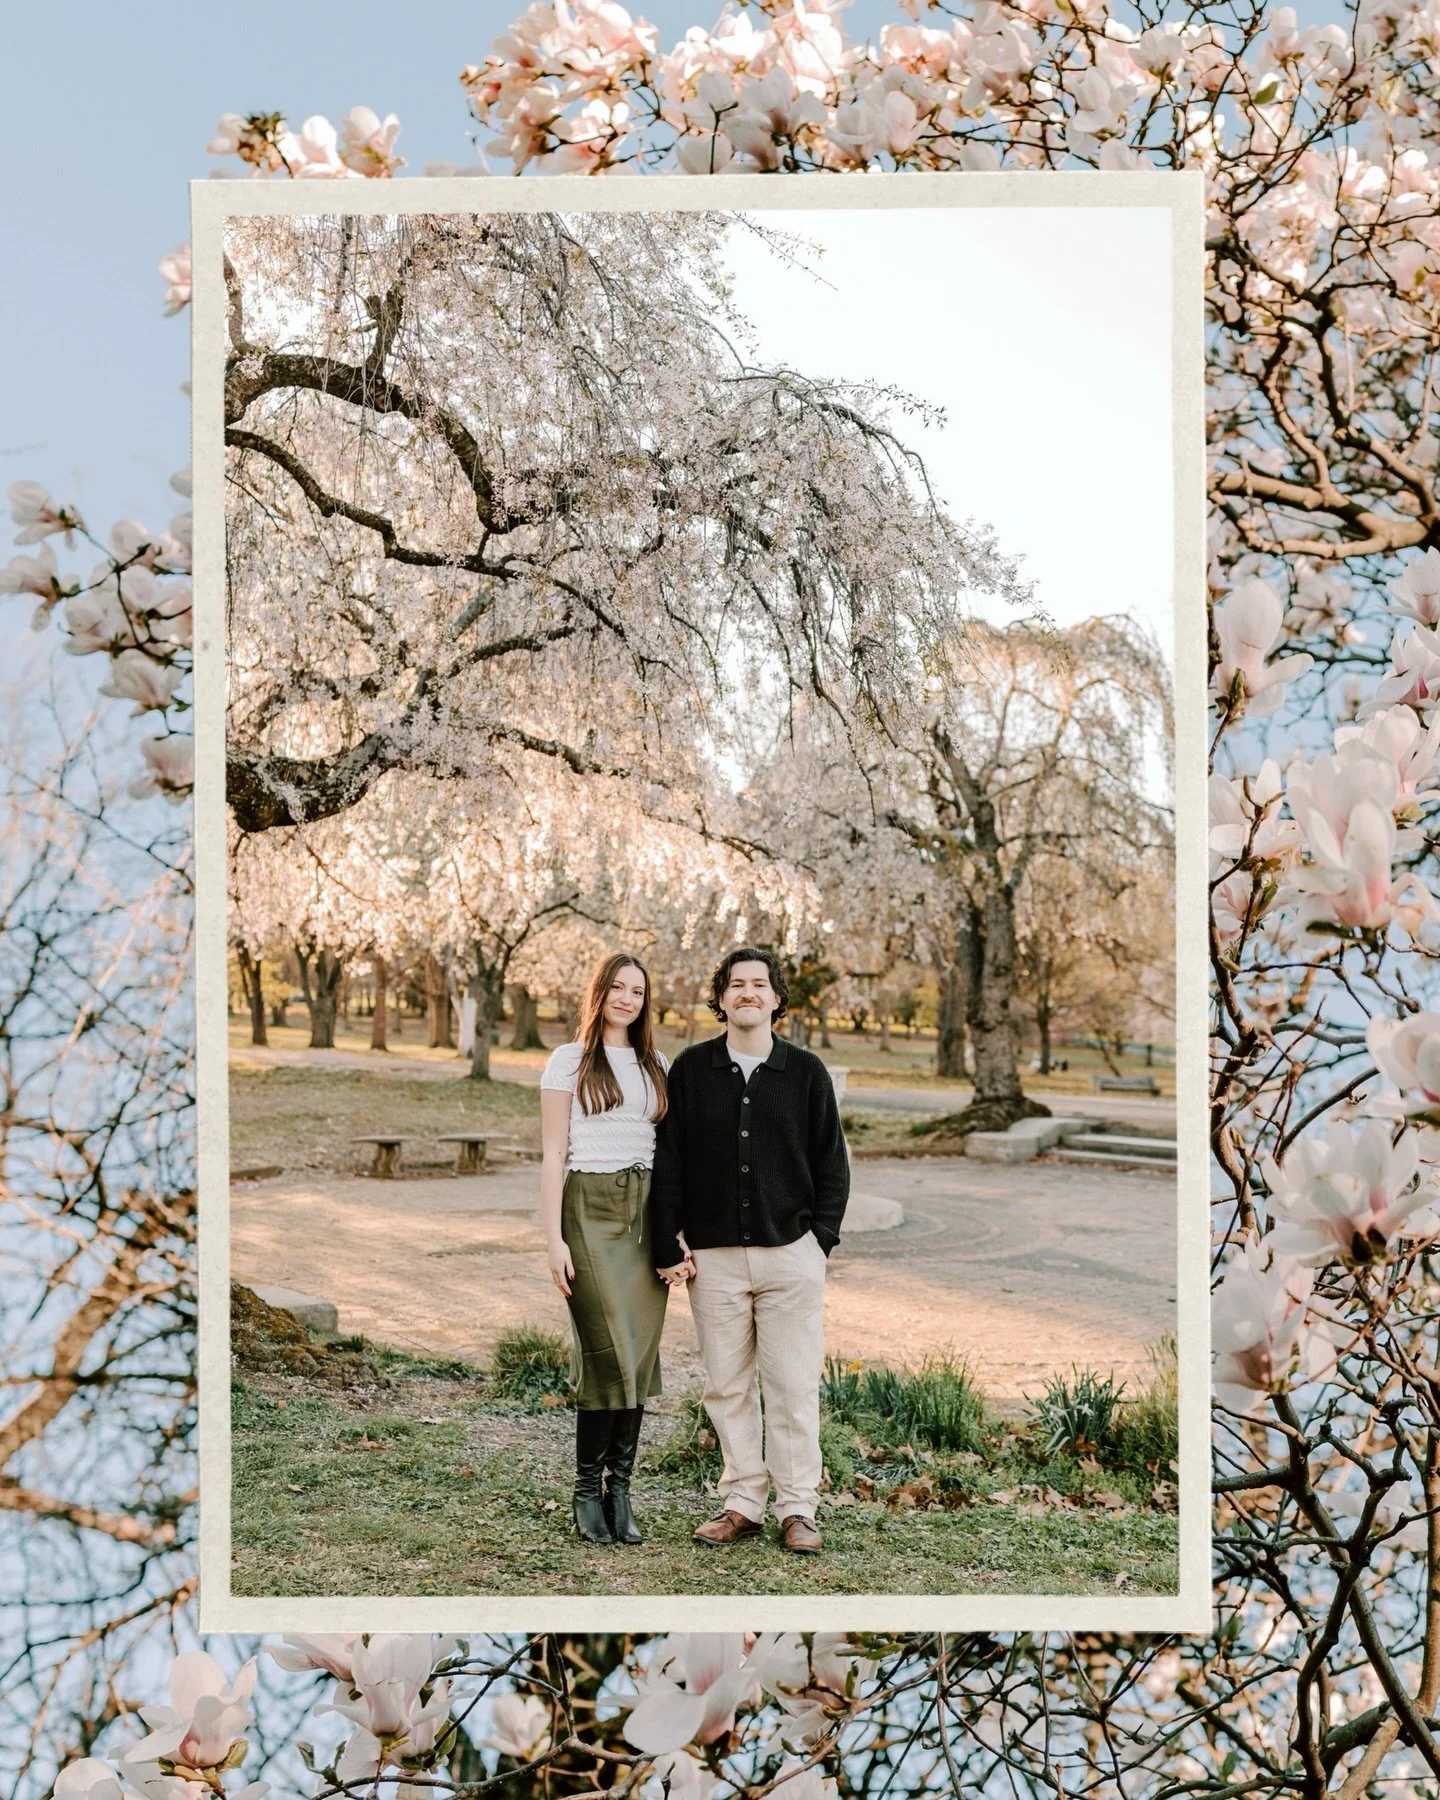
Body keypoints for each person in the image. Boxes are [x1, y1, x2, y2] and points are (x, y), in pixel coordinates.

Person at [651, 947, 849, 1556]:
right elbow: (670, 1160)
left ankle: (797, 1508)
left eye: (759, 984)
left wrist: (818, 1242)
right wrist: (667, 1235)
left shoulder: (805, 1071)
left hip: (790, 1255)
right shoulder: (692, 1069)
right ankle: (742, 1502)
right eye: (736, 984)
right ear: (721, 998)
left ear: (776, 998)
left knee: (792, 1387)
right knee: (727, 1387)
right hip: (713, 1260)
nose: (747, 993)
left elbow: (832, 1163)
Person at [539, 952, 690, 1545]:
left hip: (646, 1217)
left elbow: (669, 1155)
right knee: (609, 1354)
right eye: (618, 988)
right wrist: (553, 1239)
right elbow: (553, 1154)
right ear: (599, 993)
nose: (627, 999)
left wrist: (676, 1232)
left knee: (638, 1357)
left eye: (638, 991)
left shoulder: (658, 1064)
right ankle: (585, 1490)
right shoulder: (569, 1061)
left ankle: (619, 1490)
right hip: (588, 1212)